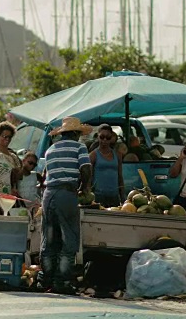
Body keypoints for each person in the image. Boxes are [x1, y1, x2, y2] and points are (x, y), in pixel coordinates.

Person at [39, 117, 92, 294]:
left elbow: (45, 175)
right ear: (76, 133)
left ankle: (46, 278)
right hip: (66, 194)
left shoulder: (51, 149)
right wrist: (85, 188)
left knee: (49, 238)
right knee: (69, 239)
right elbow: (85, 169)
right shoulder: (79, 147)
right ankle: (61, 281)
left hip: (48, 194)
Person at [89, 124, 123, 207]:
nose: (104, 140)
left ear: (111, 138)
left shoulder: (117, 155)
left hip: (114, 196)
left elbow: (120, 177)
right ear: (97, 136)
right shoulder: (93, 155)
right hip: (98, 196)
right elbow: (89, 178)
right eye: (102, 137)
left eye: (108, 138)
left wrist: (123, 196)